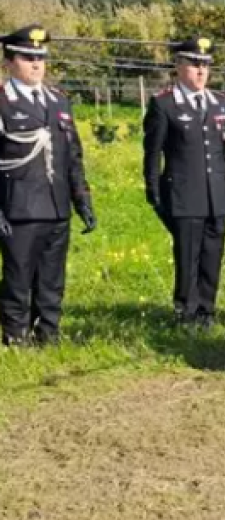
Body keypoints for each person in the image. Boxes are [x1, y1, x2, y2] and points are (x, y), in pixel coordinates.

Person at [0, 24, 96, 347]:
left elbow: (73, 155)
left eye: (40, 57)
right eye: (28, 57)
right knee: (18, 280)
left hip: (57, 206)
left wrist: (81, 199)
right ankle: (16, 339)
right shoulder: (3, 102)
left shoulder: (58, 101)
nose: (37, 64)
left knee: (52, 280)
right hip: (20, 208)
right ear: (9, 61)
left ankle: (48, 338)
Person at [143, 36, 225, 330]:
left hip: (216, 196)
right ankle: (186, 313)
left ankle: (207, 312)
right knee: (187, 258)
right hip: (185, 194)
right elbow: (153, 152)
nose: (201, 71)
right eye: (194, 64)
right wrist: (155, 193)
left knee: (212, 257)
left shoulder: (220, 103)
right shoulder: (165, 104)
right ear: (179, 65)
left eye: (205, 65)